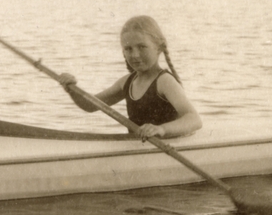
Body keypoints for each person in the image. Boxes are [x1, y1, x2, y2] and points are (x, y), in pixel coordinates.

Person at [58, 15, 202, 139]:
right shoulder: (126, 82)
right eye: (128, 49)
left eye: (142, 47)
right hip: (140, 149)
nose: (135, 55)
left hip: (169, 146)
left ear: (158, 48)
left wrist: (161, 129)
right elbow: (89, 105)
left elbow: (194, 119)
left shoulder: (165, 82)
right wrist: (71, 89)